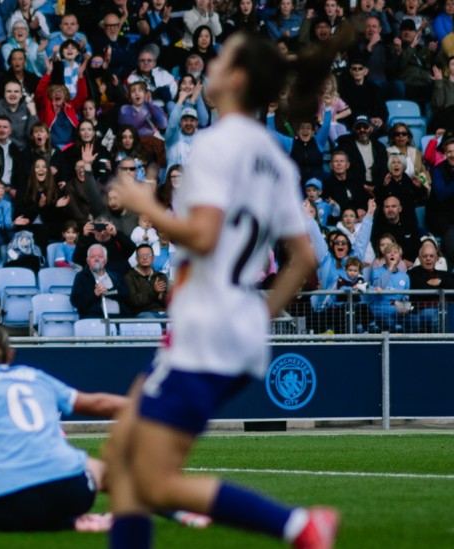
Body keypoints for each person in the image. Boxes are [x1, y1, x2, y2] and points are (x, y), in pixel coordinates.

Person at [105, 30, 345, 549]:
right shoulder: (274, 157)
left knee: (147, 479)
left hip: (205, 332)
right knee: (122, 454)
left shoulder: (214, 145)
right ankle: (299, 527)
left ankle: (298, 527)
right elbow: (304, 257)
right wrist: (257, 319)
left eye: (221, 57)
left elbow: (205, 235)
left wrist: (141, 202)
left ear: (235, 79)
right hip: (232, 329)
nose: (210, 64)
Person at [0, 326, 129, 534]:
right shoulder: (35, 376)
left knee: (17, 518)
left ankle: (72, 523)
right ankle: (160, 505)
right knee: (113, 473)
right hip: (70, 492)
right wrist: (151, 407)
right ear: (10, 353)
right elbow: (97, 403)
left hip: (7, 508)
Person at [70, 243, 130, 319]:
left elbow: (126, 294)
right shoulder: (81, 277)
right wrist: (94, 294)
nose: (96, 259)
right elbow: (75, 301)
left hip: (119, 317)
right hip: (94, 319)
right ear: (88, 261)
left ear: (105, 261)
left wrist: (109, 292)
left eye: (100, 256)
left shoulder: (115, 276)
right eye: (93, 257)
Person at [123, 243, 169, 319]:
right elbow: (134, 301)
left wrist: (161, 296)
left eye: (148, 255)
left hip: (163, 312)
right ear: (136, 259)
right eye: (141, 255)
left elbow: (168, 302)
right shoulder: (129, 277)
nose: (144, 258)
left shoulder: (161, 276)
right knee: (150, 319)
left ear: (153, 258)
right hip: (143, 313)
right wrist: (154, 291)